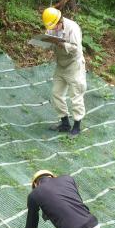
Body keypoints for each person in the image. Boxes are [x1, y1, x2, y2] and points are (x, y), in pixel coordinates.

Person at [42, 7, 86, 136]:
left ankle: (77, 125)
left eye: (54, 26)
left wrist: (61, 44)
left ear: (60, 21)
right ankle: (65, 123)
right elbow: (50, 43)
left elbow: (76, 48)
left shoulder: (73, 28)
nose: (53, 29)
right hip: (61, 64)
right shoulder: (52, 27)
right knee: (56, 93)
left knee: (76, 95)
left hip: (74, 65)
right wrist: (46, 41)